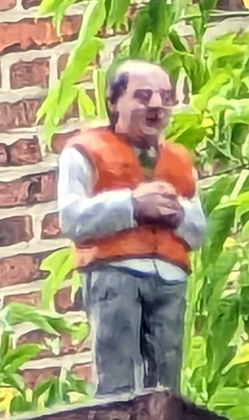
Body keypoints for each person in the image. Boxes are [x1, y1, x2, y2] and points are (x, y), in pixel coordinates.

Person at [56, 59, 206, 397]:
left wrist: (176, 214)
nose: (157, 105)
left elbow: (198, 229)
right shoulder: (85, 151)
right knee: (118, 373)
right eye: (143, 96)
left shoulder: (180, 160)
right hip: (114, 272)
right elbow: (72, 218)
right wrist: (132, 206)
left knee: (166, 380)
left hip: (169, 277)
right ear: (114, 102)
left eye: (165, 96)